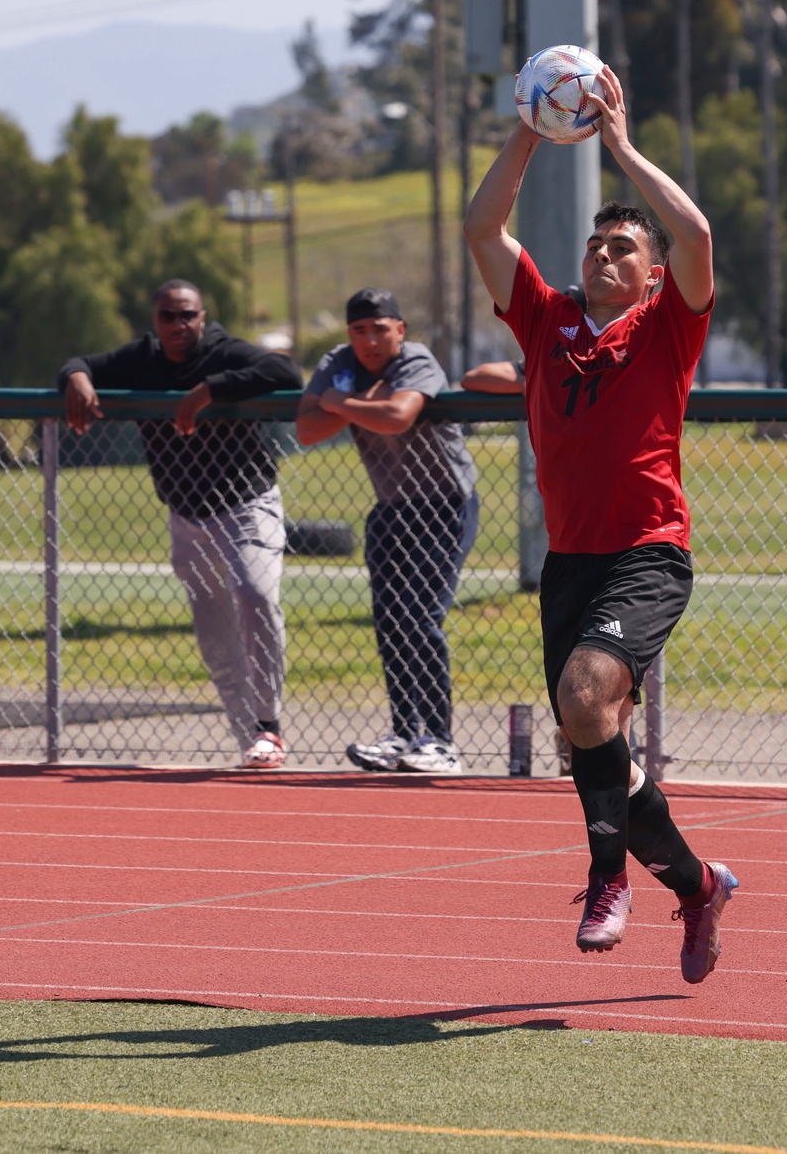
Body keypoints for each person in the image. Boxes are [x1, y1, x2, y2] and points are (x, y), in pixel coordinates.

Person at [463, 65, 738, 984]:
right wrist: (532, 133)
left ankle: (606, 879)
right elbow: (481, 229)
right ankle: (699, 885)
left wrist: (618, 144)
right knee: (600, 751)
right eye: (597, 244)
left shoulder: (667, 326)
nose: (605, 255)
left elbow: (695, 233)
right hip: (570, 563)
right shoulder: (544, 320)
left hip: (647, 551)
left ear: (652, 275)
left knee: (585, 700)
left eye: (624, 248)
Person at [58, 279, 302, 769]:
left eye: (187, 315)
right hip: (185, 516)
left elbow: (284, 370)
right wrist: (77, 379)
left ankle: (268, 725)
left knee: (255, 598)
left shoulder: (222, 350)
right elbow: (77, 362)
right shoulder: (143, 356)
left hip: (245, 504)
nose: (178, 325)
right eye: (168, 316)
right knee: (214, 636)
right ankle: (251, 740)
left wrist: (208, 390)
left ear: (203, 316)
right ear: (155, 321)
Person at [296, 287, 478, 775]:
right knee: (390, 623)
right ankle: (404, 733)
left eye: (380, 328)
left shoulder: (416, 360)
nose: (370, 339)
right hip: (391, 508)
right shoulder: (339, 361)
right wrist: (357, 400)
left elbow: (398, 416)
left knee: (420, 620)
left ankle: (440, 742)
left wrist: (337, 401)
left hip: (444, 506)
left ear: (400, 329)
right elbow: (307, 430)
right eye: (359, 330)